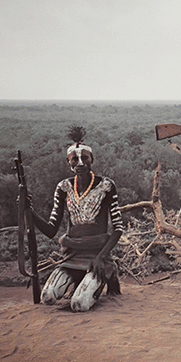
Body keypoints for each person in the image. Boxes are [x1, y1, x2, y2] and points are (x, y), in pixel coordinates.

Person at [27, 126, 123, 312]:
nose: (80, 163)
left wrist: (101, 257)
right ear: (68, 163)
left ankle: (104, 279)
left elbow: (118, 228)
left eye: (84, 158)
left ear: (92, 160)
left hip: (97, 254)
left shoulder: (106, 186)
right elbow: (51, 230)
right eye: (75, 159)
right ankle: (79, 280)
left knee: (79, 304)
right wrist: (29, 212)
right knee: (47, 297)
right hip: (72, 256)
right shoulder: (63, 188)